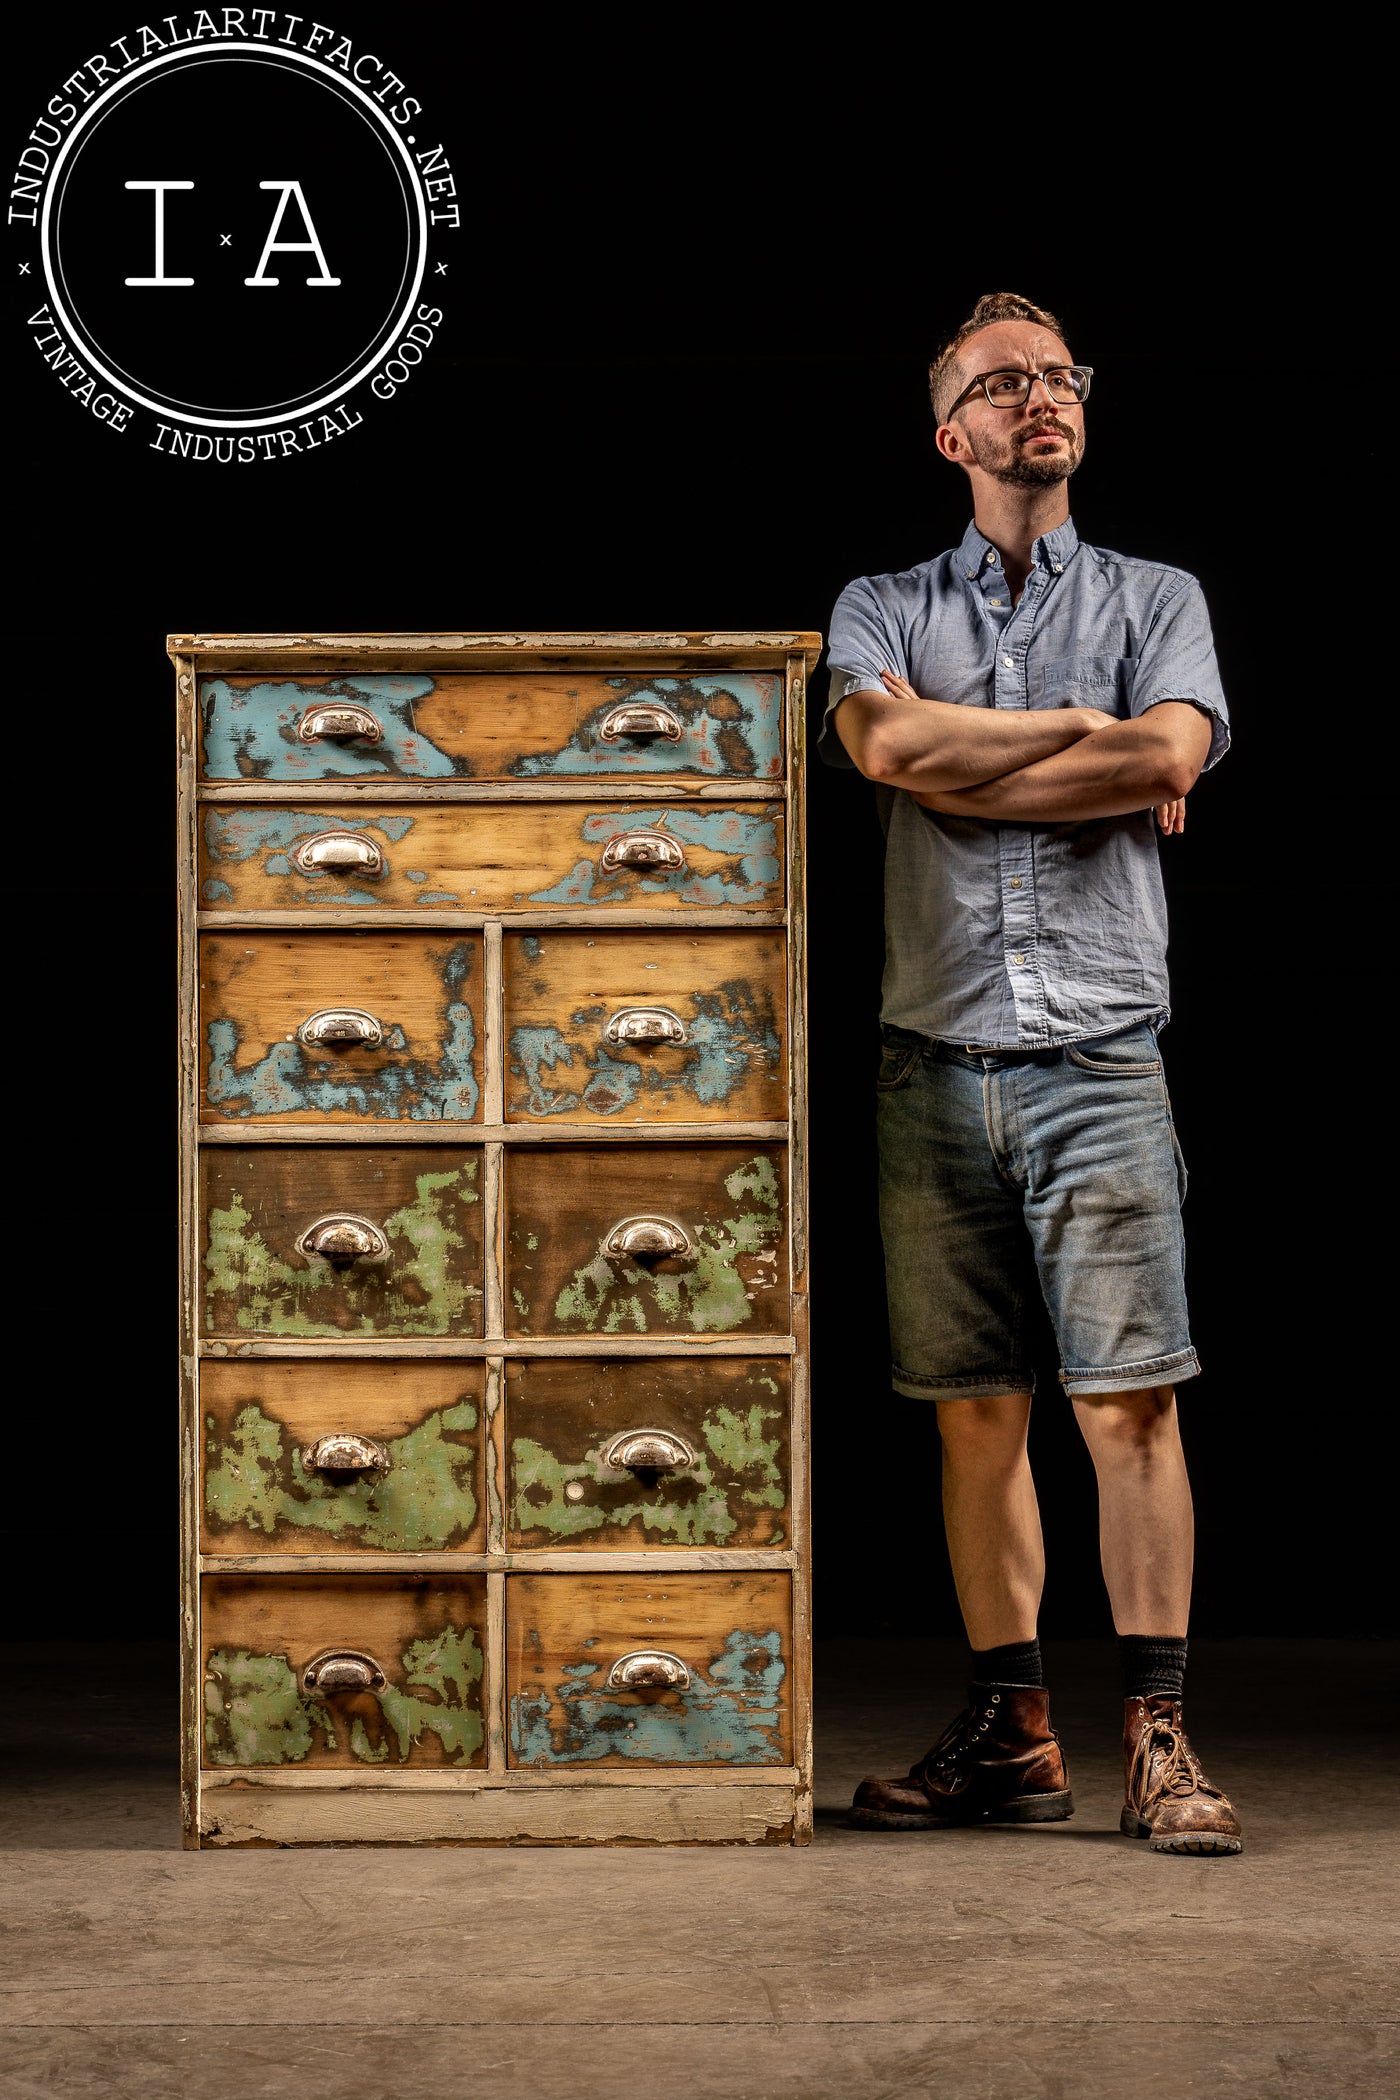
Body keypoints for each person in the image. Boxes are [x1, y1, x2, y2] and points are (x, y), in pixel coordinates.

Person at [824, 290, 1242, 1855]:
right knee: (974, 1416)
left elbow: (1169, 758)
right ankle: (1015, 1738)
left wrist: (985, 751)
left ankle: (1162, 1734)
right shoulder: (878, 603)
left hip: (1098, 1055)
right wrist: (1077, 726)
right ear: (955, 433)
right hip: (932, 1065)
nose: (1039, 398)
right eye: (1003, 384)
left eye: (1058, 376)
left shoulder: (1159, 594)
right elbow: (884, 755)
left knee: (1129, 1407)